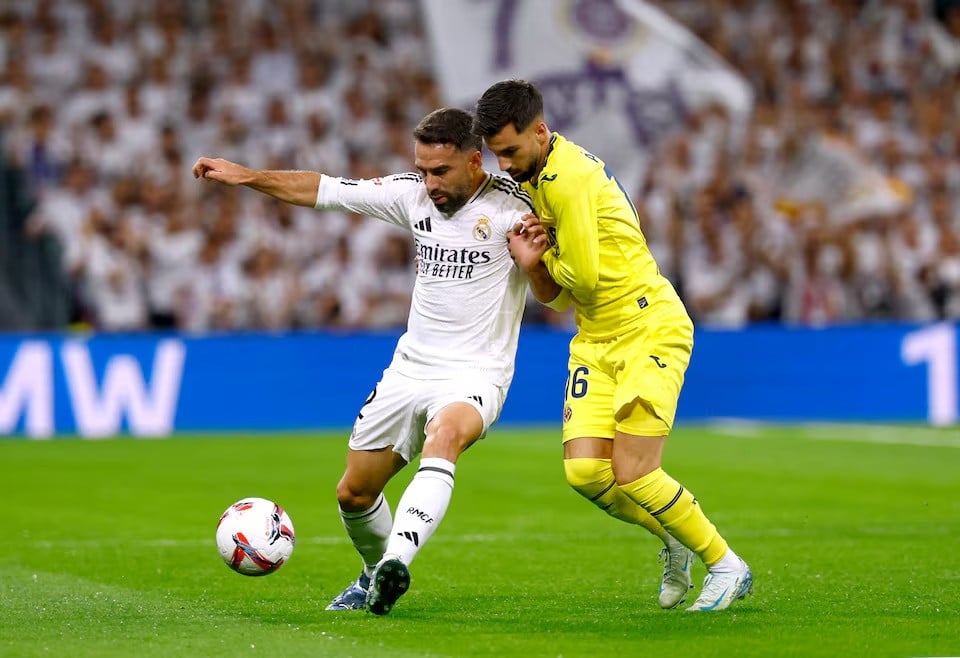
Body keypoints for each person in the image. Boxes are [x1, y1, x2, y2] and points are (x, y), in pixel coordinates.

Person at [193, 108, 534, 615]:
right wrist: (248, 177)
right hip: (410, 369)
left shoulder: (514, 210)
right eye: (422, 169)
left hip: (476, 372)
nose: (429, 182)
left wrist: (535, 261)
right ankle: (376, 574)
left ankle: (397, 561)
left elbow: (552, 292)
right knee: (353, 493)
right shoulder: (411, 195)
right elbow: (323, 190)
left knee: (446, 438)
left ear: (474, 159)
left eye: (440, 171)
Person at [474, 80, 752, 611]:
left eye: (510, 150)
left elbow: (577, 275)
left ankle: (725, 564)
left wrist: (540, 262)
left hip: (649, 326)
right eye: (496, 153)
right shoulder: (537, 177)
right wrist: (532, 267)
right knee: (585, 472)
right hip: (597, 336)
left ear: (539, 130)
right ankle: (676, 537)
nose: (504, 164)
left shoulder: (567, 180)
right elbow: (557, 296)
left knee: (635, 471)